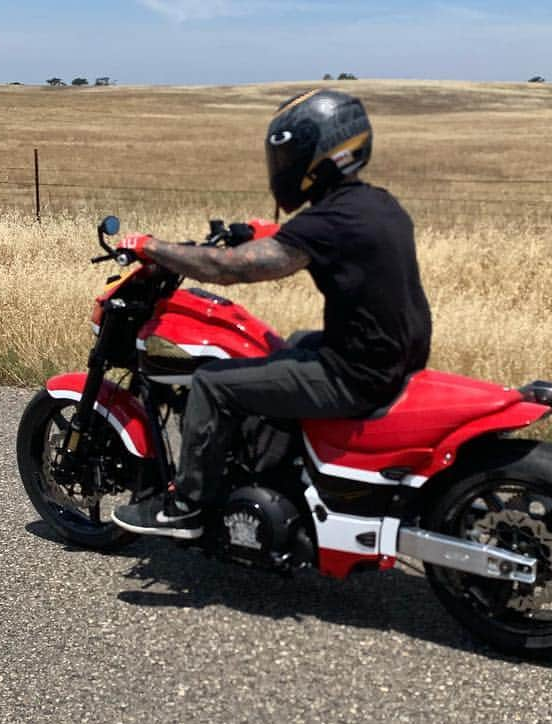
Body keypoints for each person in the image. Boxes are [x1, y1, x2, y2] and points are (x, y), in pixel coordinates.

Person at [111, 88, 432, 539]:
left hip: (356, 374)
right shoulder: (375, 203)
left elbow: (231, 269)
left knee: (212, 384)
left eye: (290, 156)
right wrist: (264, 232)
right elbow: (305, 241)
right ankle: (273, 463)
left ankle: (185, 506)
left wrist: (153, 247)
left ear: (317, 158)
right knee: (295, 342)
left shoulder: (327, 222)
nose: (283, 167)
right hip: (394, 356)